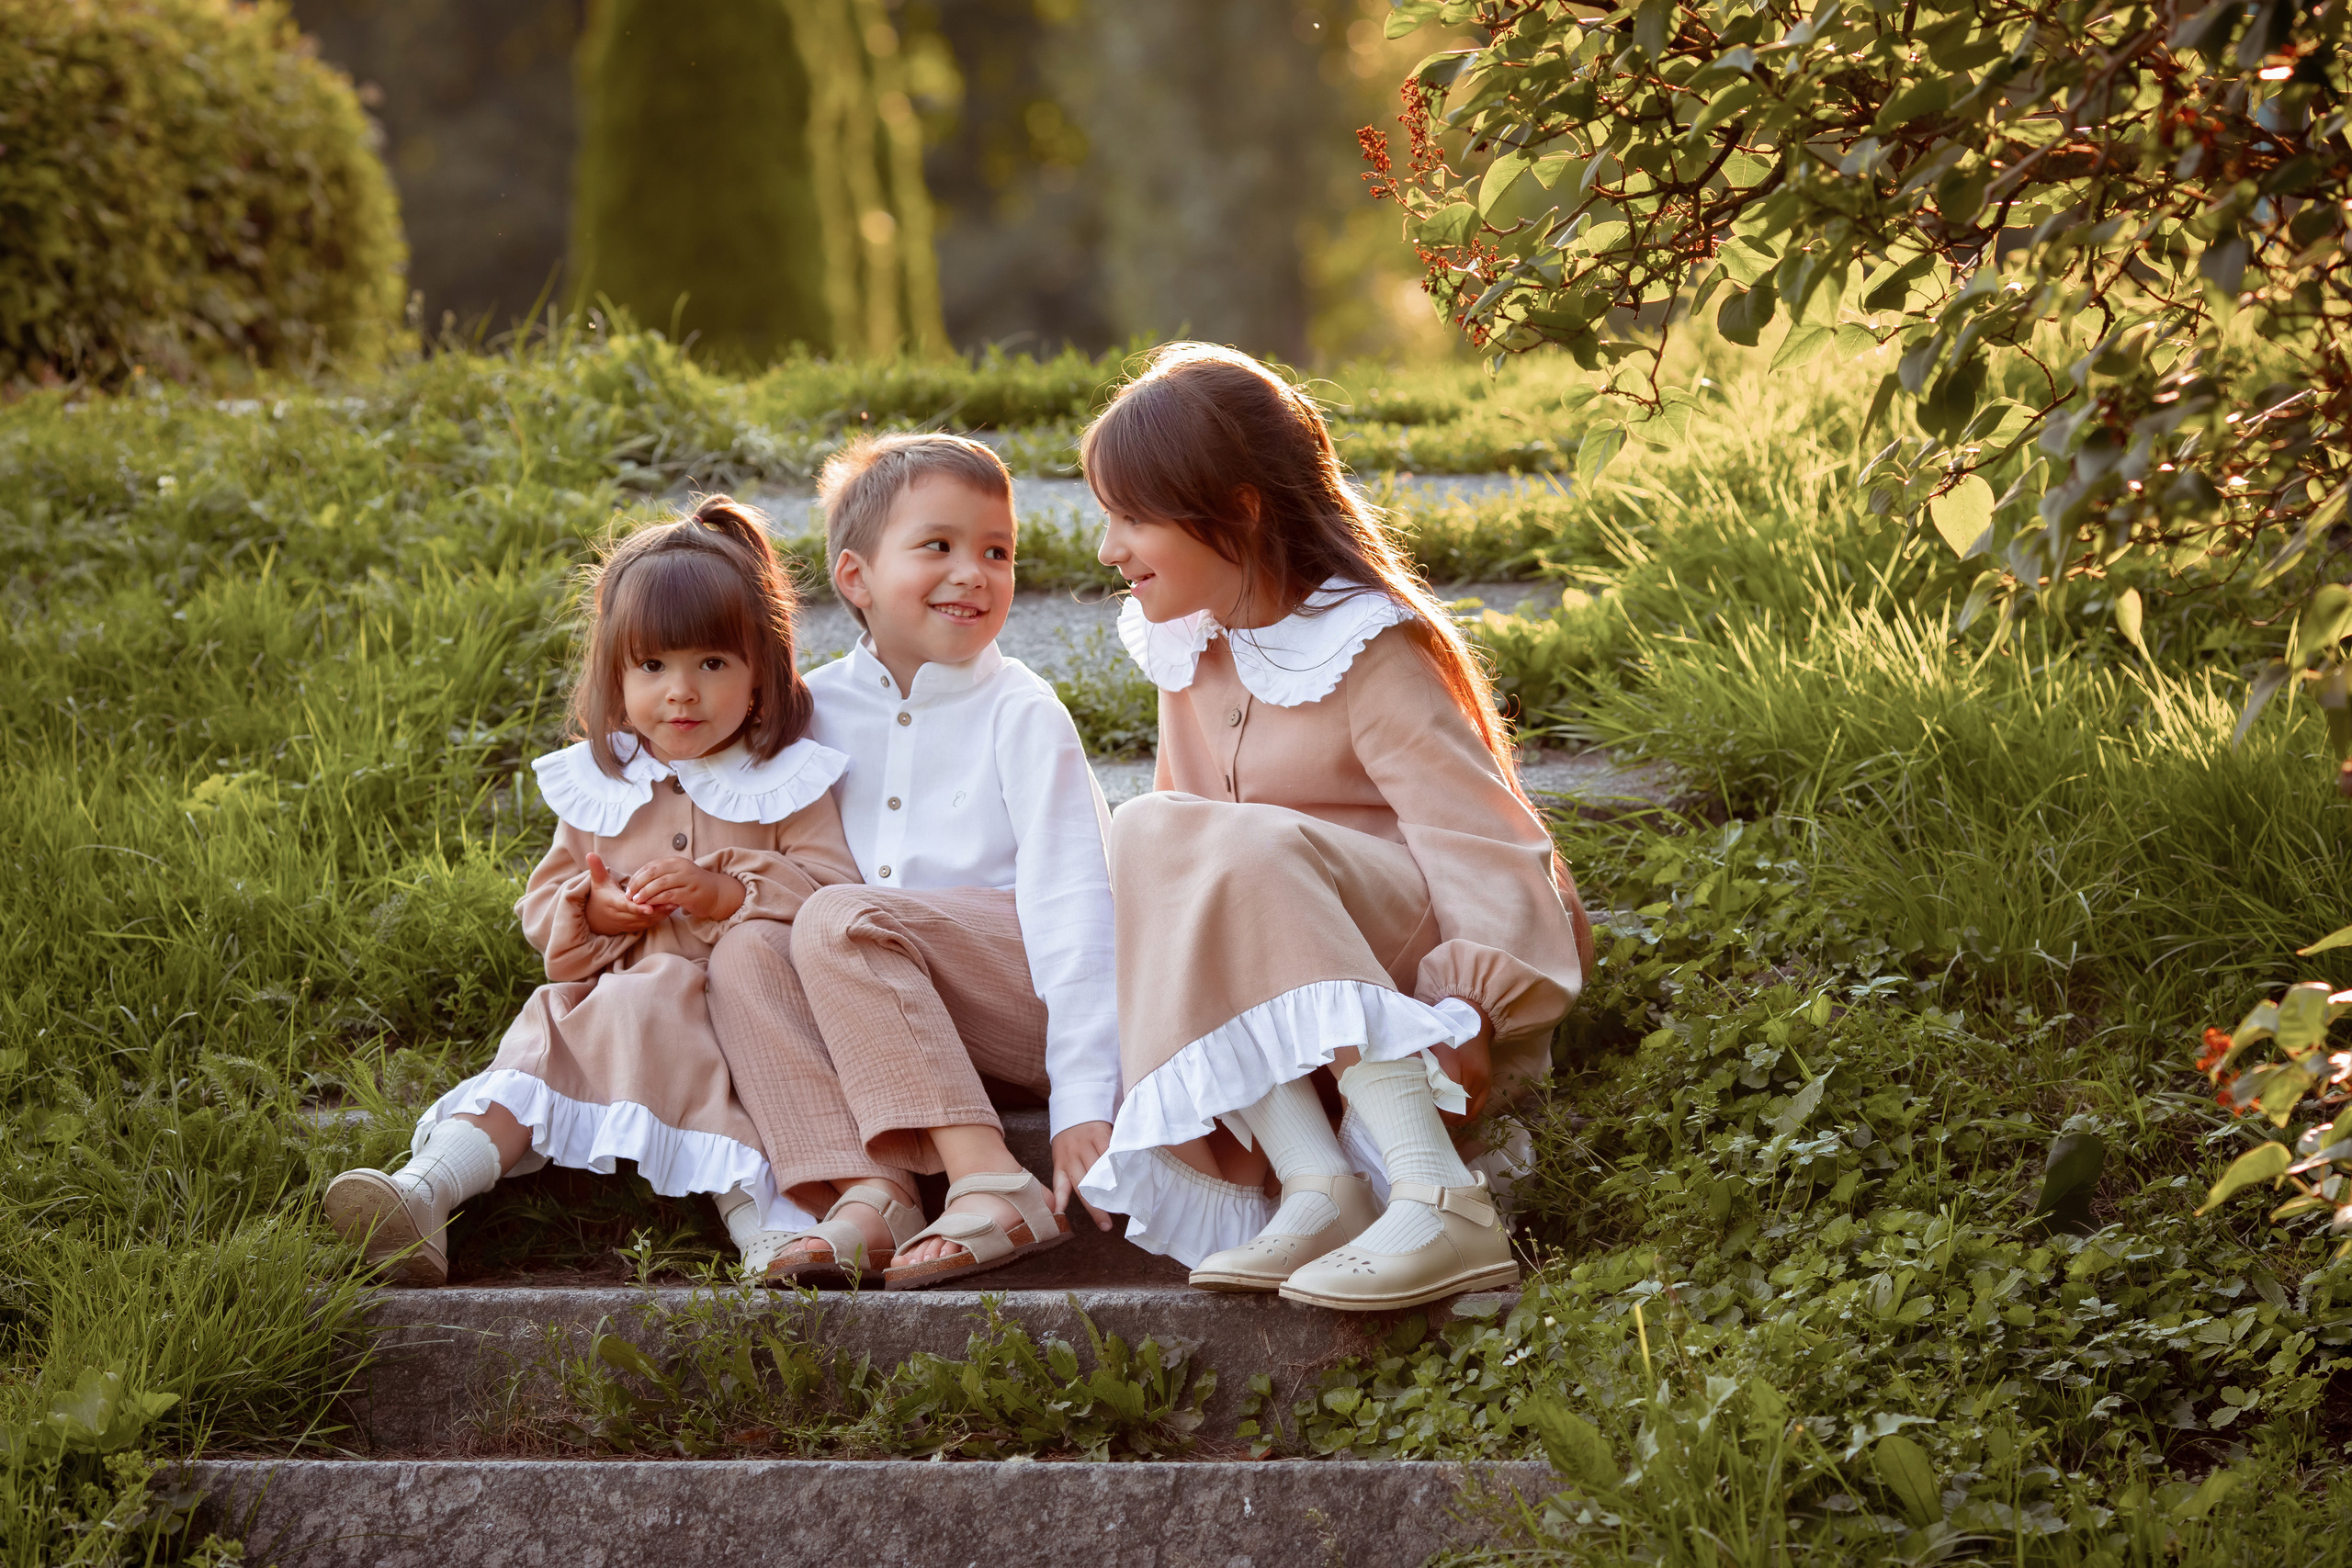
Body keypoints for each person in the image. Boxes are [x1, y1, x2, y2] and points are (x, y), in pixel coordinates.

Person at [1074, 343, 1594, 1313]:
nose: (1109, 550)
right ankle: (1320, 1183)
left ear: (1238, 509)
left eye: (1133, 519)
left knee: (1238, 841)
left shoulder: (1366, 644)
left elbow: (1481, 844)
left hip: (1408, 972)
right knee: (1152, 830)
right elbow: (1180, 869)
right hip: (1288, 993)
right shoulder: (1188, 645)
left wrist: (1474, 1007)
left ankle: (1440, 1197)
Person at [322, 498, 862, 1285]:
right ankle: (425, 1190)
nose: (681, 693)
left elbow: (832, 892)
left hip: (737, 1011)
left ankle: (775, 1234)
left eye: (713, 664)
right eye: (653, 667)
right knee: (543, 1041)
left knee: (738, 1102)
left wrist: (723, 893)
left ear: (763, 669)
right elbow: (548, 898)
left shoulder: (785, 779)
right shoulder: (603, 783)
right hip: (615, 1004)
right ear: (616, 672)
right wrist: (596, 911)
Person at [706, 434, 1120, 1291]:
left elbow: (1079, 903)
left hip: (1018, 997)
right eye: (939, 545)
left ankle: (995, 1181)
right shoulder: (809, 713)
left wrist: (1085, 1097)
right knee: (745, 950)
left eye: (997, 551)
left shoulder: (1020, 709)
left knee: (840, 913)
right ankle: (872, 1192)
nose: (974, 572)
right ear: (855, 577)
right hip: (879, 1014)